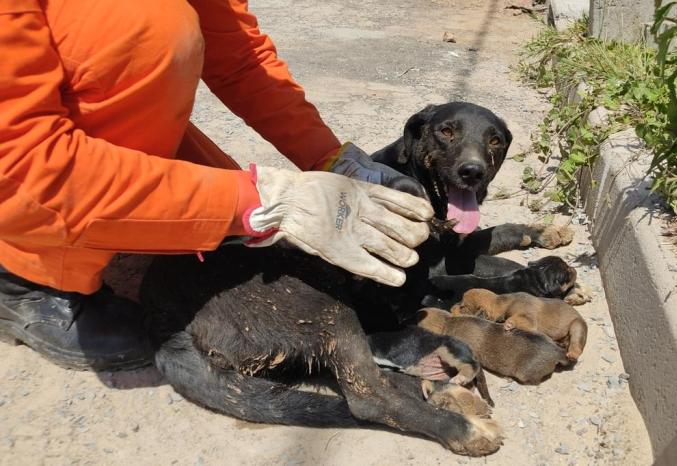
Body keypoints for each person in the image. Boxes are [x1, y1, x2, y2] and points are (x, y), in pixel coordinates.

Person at [0, 0, 433, 371]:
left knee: (251, 253)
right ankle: (24, 277)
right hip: (29, 179)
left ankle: (129, 214)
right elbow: (20, 161)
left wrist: (333, 158)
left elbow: (239, 57)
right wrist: (264, 201)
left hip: (119, 147)